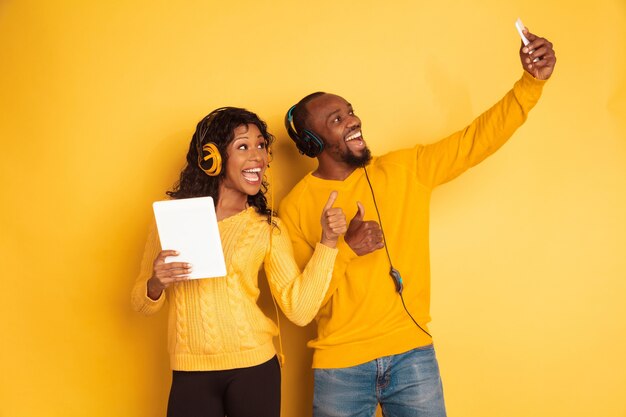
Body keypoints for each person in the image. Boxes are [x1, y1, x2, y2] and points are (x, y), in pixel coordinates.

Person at [278, 28, 556, 417]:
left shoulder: (406, 168)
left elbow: (476, 140)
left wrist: (531, 84)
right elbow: (303, 305)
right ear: (312, 142)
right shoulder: (293, 208)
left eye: (351, 110)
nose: (353, 120)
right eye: (337, 119)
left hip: (412, 356)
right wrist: (346, 249)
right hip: (340, 366)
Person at [131, 107, 347, 417]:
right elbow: (139, 302)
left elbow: (299, 309)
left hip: (254, 369)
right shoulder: (172, 217)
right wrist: (155, 283)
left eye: (261, 145)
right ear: (212, 158)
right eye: (243, 146)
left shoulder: (266, 227)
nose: (258, 156)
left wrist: (328, 242)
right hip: (189, 371)